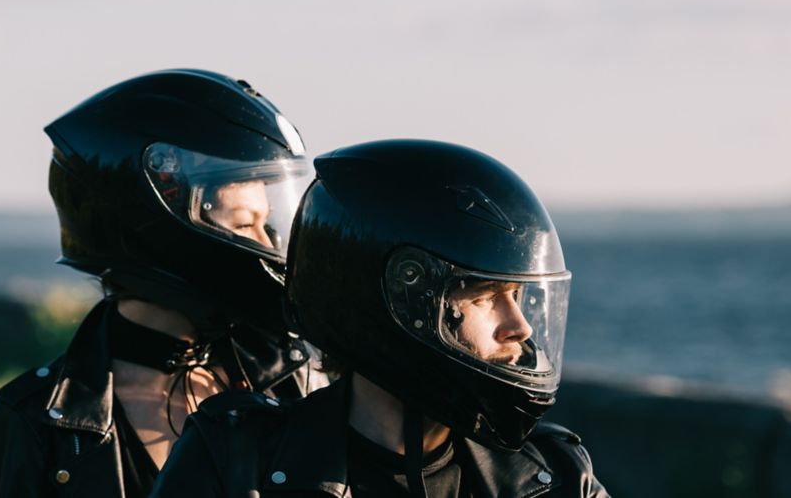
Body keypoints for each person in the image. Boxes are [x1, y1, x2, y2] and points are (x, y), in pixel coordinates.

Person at [151, 139, 609, 498]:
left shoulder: (556, 477)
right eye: (487, 296)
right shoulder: (233, 463)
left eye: (519, 296)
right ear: (400, 303)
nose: (521, 327)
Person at [0, 69, 324, 497]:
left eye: (266, 224)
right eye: (243, 224)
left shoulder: (302, 382)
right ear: (157, 230)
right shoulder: (34, 420)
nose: (267, 243)